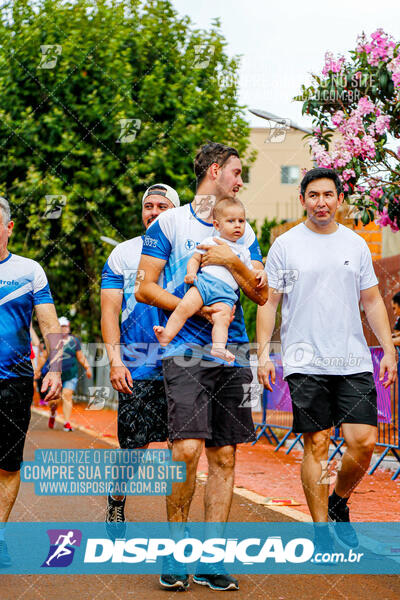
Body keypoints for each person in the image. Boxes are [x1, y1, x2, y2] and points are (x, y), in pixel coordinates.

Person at [136, 143, 268, 591]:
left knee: (225, 456)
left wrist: (233, 259)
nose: (240, 180)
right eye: (236, 172)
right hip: (185, 354)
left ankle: (212, 557)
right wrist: (195, 310)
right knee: (187, 450)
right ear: (216, 171)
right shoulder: (170, 222)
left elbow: (261, 293)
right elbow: (143, 289)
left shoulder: (241, 228)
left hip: (231, 351)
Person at [257, 167, 397, 554]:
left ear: (339, 200)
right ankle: (321, 532)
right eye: (313, 195)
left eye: (328, 195)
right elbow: (269, 301)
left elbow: (371, 300)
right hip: (305, 361)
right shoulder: (286, 245)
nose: (321, 202)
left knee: (363, 442)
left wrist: (387, 350)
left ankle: (338, 500)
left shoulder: (354, 244)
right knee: (316, 443)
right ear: (302, 200)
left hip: (352, 360)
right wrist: (265, 352)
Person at [101, 183, 179, 538]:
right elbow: (109, 311)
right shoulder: (123, 253)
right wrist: (116, 361)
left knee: (186, 449)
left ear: (174, 211)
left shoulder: (189, 249)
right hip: (138, 362)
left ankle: (179, 529)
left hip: (183, 362)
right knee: (134, 448)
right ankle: (117, 498)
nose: (153, 211)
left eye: (162, 205)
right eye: (149, 205)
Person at [0, 197, 61, 567]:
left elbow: (49, 324)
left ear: (8, 227)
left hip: (13, 381)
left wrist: (53, 368)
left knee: (7, 465)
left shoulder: (29, 270)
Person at [154, 197, 267, 362]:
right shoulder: (211, 241)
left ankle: (219, 347)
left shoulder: (244, 252)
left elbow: (251, 272)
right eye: (231, 221)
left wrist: (261, 274)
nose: (237, 225)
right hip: (204, 285)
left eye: (241, 221)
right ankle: (167, 334)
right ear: (217, 225)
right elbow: (195, 259)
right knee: (184, 307)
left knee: (222, 320)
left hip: (226, 295)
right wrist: (191, 273)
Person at [41, 316, 92, 431]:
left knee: (67, 395)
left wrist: (87, 368)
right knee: (54, 401)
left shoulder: (74, 341)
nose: (64, 329)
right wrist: (37, 370)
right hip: (55, 376)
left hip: (71, 374)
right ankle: (53, 413)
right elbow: (44, 356)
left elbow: (80, 356)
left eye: (65, 326)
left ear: (68, 327)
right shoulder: (51, 340)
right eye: (61, 326)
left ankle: (67, 422)